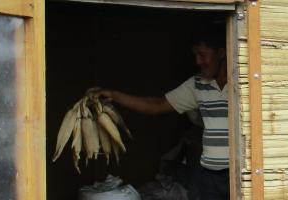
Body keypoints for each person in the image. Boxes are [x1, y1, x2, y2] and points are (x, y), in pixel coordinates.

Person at [91, 31, 230, 200]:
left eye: (202, 55)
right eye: (196, 55)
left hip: (239, 173)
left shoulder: (243, 81)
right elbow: (156, 105)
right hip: (209, 177)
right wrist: (114, 95)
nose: (197, 61)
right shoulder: (198, 84)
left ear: (221, 53)